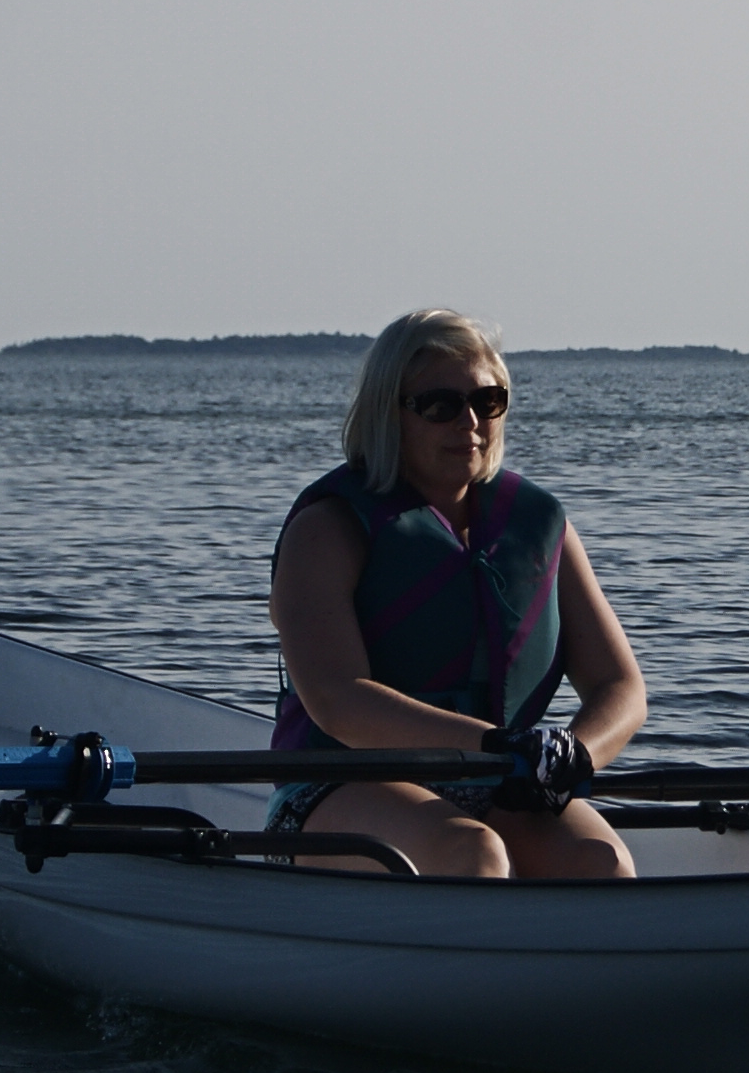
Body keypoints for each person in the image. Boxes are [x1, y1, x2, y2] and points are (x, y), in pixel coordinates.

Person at [264, 309, 645, 879]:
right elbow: (338, 701)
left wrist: (572, 753)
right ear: (388, 413)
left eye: (488, 402)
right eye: (440, 405)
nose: (469, 421)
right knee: (473, 852)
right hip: (339, 782)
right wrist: (499, 745)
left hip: (502, 777)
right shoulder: (327, 529)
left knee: (599, 861)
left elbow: (621, 686)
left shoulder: (542, 527)